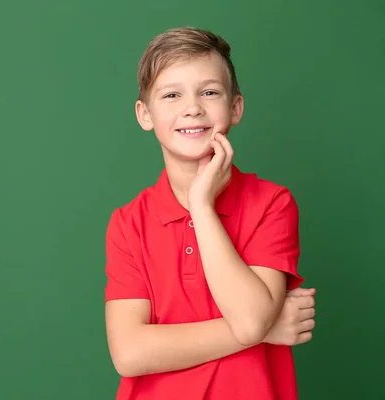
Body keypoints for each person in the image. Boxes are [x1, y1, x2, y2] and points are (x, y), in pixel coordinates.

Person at [104, 27, 316, 400]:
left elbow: (250, 319)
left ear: (235, 107)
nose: (192, 108)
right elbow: (129, 353)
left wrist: (202, 206)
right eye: (171, 94)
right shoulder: (128, 223)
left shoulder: (272, 203)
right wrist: (268, 327)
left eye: (209, 92)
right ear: (145, 114)